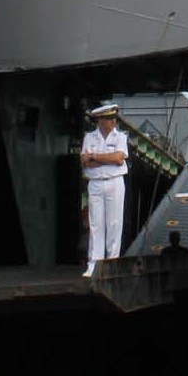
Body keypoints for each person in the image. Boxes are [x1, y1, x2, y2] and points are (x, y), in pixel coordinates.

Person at [80, 102, 128, 277]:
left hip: (114, 182)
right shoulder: (89, 137)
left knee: (114, 224)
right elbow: (84, 162)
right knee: (96, 224)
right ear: (100, 120)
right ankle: (94, 263)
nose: (113, 121)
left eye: (113, 118)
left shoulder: (120, 137)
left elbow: (118, 159)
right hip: (95, 182)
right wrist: (103, 158)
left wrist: (94, 156)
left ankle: (111, 263)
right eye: (109, 118)